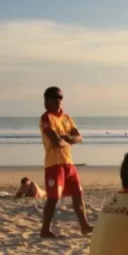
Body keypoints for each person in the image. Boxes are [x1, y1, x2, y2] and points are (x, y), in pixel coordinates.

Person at [39, 86, 92, 238]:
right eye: (55, 97)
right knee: (53, 198)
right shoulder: (46, 118)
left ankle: (84, 226)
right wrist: (69, 139)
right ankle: (45, 229)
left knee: (78, 194)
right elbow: (56, 142)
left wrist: (68, 138)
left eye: (60, 97)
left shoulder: (66, 117)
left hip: (68, 162)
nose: (58, 101)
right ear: (47, 100)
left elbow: (78, 137)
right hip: (54, 164)